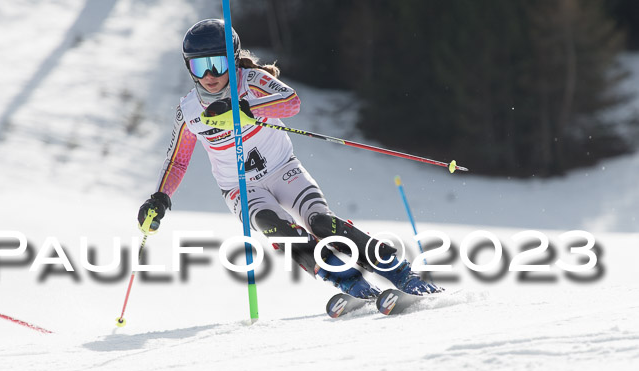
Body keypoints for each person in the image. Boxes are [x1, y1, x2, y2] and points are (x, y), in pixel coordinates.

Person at [138, 18, 442, 298]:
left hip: (284, 169)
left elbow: (290, 102)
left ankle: (400, 273)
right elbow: (177, 160)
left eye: (217, 64)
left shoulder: (251, 79)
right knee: (277, 227)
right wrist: (159, 198)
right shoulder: (189, 111)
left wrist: (244, 110)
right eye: (199, 67)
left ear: (232, 59)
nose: (209, 76)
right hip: (240, 189)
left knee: (321, 223)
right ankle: (350, 282)